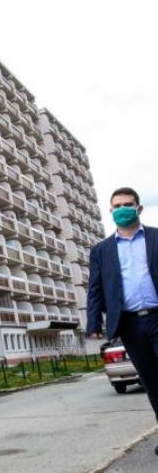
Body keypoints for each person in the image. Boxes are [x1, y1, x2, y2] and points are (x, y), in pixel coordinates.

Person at [87, 187, 158, 455]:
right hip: (129, 324)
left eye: (128, 204)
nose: (122, 209)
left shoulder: (155, 238)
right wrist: (93, 322)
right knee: (151, 381)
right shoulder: (101, 250)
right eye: (117, 206)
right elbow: (95, 288)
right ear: (110, 211)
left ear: (139, 208)